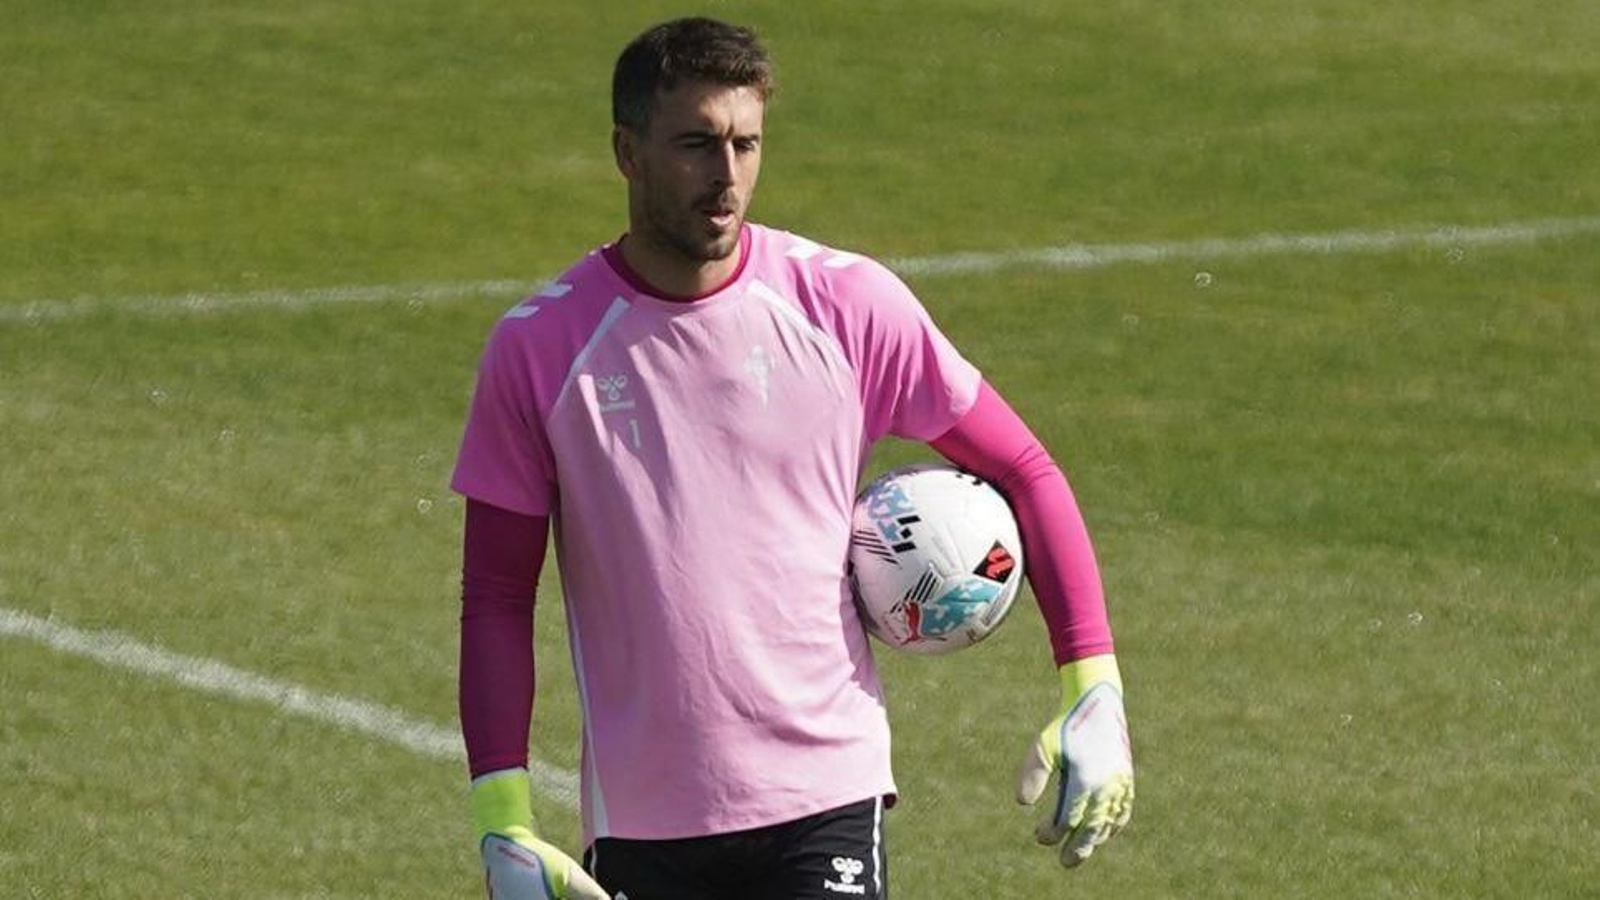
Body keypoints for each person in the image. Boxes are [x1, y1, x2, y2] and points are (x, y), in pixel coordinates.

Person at [451, 17, 1133, 900]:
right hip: (644, 821)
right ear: (628, 151)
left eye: (745, 143)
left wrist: (1095, 687)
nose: (725, 174)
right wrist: (500, 820)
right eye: (696, 143)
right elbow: (497, 596)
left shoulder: (846, 306)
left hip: (827, 795)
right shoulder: (541, 351)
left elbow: (1026, 468)